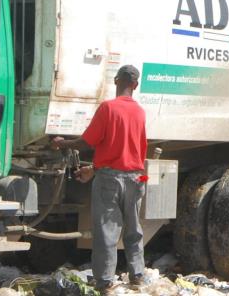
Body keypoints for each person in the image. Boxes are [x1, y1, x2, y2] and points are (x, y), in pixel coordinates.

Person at [50, 65, 147, 294]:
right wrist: (95, 168)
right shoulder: (140, 112)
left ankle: (104, 282)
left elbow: (88, 142)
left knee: (107, 233)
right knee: (134, 229)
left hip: (109, 180)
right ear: (135, 85)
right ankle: (138, 276)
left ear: (116, 81)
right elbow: (130, 150)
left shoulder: (108, 108)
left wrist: (62, 143)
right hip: (136, 177)